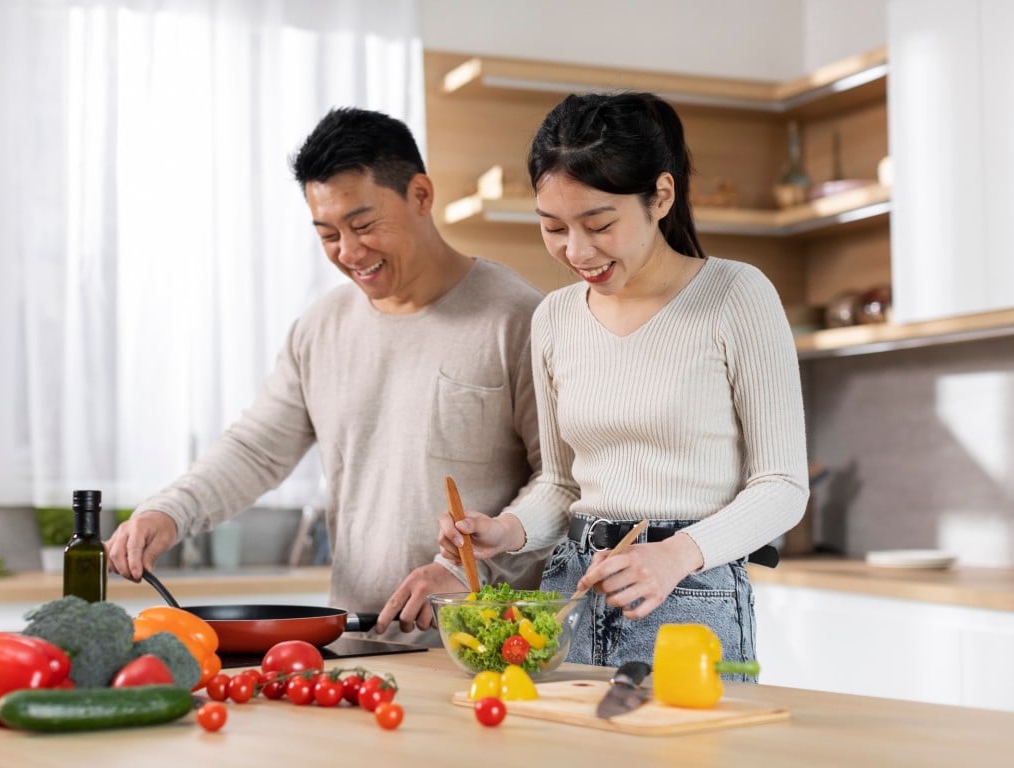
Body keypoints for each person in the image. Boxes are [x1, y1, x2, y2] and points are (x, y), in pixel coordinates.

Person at [107, 107, 548, 644]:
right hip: (358, 641)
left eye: (363, 226)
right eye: (327, 233)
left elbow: (559, 483)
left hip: (486, 643)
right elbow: (255, 450)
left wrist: (462, 572)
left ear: (421, 196)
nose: (349, 252)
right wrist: (169, 512)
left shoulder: (519, 318)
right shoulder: (321, 327)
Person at [439, 91, 808, 671]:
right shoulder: (555, 317)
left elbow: (783, 486)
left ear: (661, 196)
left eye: (599, 224)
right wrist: (508, 530)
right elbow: (563, 487)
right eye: (553, 227)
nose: (576, 250)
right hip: (572, 592)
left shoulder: (736, 296)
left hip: (690, 593)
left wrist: (676, 555)